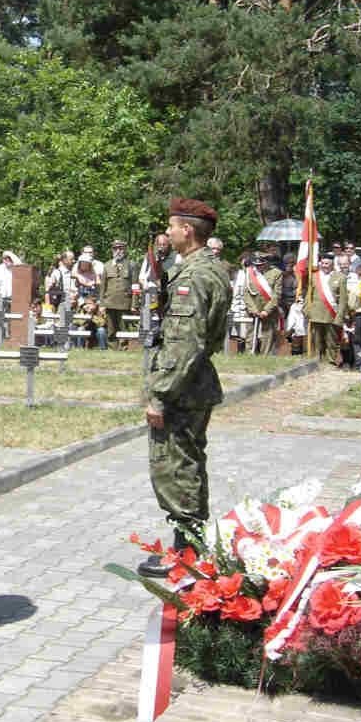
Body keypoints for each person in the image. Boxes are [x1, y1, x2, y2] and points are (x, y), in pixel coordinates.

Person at [137, 198, 231, 578]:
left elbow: (184, 343)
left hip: (182, 390)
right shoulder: (209, 269)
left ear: (187, 230)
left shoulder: (193, 278)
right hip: (194, 384)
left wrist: (160, 395)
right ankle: (190, 546)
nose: (168, 232)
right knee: (188, 462)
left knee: (176, 467)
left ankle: (187, 554)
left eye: (172, 226)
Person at [305, 252, 346, 366]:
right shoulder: (314, 276)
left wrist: (339, 316)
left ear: (332, 264)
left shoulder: (340, 277)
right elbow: (308, 295)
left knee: (331, 341)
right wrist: (307, 311)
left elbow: (343, 300)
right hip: (316, 314)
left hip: (331, 315)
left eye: (327, 263)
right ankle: (317, 362)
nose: (324, 266)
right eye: (322, 263)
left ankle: (331, 362)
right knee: (317, 341)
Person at [243, 251, 282, 355]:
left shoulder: (276, 273)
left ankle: (265, 357)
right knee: (250, 335)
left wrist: (266, 310)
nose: (258, 267)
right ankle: (249, 356)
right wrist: (253, 309)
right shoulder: (249, 272)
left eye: (261, 264)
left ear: (267, 262)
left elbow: (277, 295)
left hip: (269, 309)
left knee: (268, 335)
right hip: (252, 309)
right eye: (256, 265)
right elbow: (246, 293)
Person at [99, 239, 136, 349]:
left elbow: (135, 287)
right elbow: (103, 286)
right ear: (112, 250)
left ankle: (124, 347)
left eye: (121, 248)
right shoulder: (107, 265)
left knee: (124, 327)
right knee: (111, 328)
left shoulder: (131, 265)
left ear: (125, 250)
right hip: (109, 302)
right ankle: (112, 348)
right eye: (115, 248)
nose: (118, 251)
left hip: (125, 302)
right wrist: (102, 304)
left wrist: (134, 304)